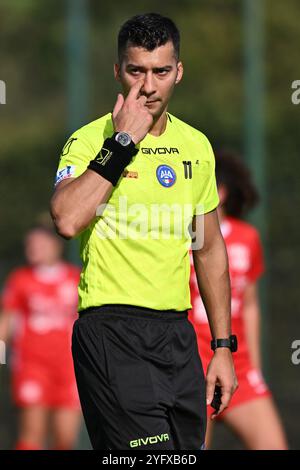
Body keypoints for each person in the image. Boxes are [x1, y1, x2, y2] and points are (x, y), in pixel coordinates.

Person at [50, 13, 238, 450]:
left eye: (160, 71)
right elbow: (67, 219)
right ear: (118, 71)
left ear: (179, 72)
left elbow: (208, 249)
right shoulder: (89, 140)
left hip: (176, 335)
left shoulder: (196, 147)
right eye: (136, 71)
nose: (148, 86)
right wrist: (122, 143)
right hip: (111, 332)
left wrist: (223, 347)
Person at [189, 151, 288, 449]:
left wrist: (254, 367)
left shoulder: (248, 238)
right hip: (193, 366)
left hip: (237, 365)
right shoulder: (184, 236)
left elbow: (251, 304)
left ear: (220, 192)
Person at [0, 226, 82, 450]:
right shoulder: (20, 280)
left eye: (40, 244)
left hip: (69, 367)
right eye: (30, 244)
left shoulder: (75, 278)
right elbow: (5, 322)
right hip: (32, 365)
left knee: (65, 438)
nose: (33, 249)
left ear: (56, 246)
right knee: (31, 435)